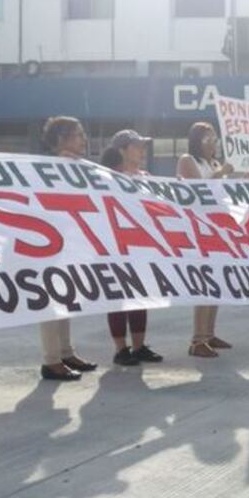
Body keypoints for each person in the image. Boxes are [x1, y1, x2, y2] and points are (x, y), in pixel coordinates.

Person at [38, 116, 98, 381]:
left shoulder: (78, 167)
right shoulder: (49, 167)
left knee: (65, 299)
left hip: (70, 243)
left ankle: (65, 351)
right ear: (61, 139)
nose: (83, 139)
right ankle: (51, 360)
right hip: (49, 244)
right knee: (51, 302)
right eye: (78, 134)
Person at [99, 130, 164, 366]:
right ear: (122, 151)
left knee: (141, 296)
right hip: (115, 245)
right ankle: (120, 349)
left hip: (141, 245)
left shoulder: (146, 177)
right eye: (137, 147)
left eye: (142, 147)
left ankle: (138, 346)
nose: (142, 151)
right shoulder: (105, 178)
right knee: (118, 297)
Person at [175, 122, 238, 358]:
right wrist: (220, 173)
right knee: (204, 282)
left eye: (214, 139)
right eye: (208, 139)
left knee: (215, 283)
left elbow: (224, 194)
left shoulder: (213, 163)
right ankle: (198, 339)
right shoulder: (187, 160)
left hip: (218, 227)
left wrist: (247, 178)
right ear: (196, 141)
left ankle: (209, 333)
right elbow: (194, 191)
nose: (213, 143)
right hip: (198, 228)